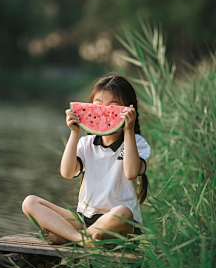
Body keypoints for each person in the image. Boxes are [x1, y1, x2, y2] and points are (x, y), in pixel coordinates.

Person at [22, 75, 151, 246]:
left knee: (123, 212)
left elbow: (131, 172)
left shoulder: (137, 143)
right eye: (97, 107)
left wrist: (128, 130)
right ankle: (81, 239)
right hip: (85, 218)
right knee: (30, 202)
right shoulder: (86, 143)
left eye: (112, 108)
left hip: (120, 224)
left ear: (129, 110)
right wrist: (74, 133)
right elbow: (67, 173)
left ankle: (69, 237)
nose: (104, 113)